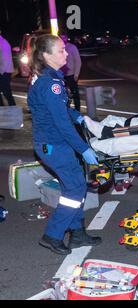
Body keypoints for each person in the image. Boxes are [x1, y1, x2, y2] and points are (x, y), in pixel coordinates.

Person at [28, 34, 101, 255]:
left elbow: (59, 109)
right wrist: (84, 148)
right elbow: (60, 123)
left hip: (55, 143)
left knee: (75, 184)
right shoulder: (50, 83)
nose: (66, 53)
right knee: (75, 188)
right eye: (60, 50)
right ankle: (53, 235)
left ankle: (77, 233)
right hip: (54, 144)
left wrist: (77, 115)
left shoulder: (52, 79)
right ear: (46, 55)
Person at [60, 32, 82, 111]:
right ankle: (65, 110)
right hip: (61, 76)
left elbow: (78, 61)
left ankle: (77, 110)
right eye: (61, 37)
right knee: (62, 94)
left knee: (75, 93)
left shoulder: (72, 47)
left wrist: (76, 74)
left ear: (67, 38)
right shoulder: (58, 48)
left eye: (64, 37)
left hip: (71, 75)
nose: (62, 39)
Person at [0, 30, 16, 106]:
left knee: (6, 92)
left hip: (4, 72)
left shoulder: (3, 43)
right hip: (3, 71)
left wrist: (1, 72)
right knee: (6, 92)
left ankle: (13, 109)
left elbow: (5, 59)